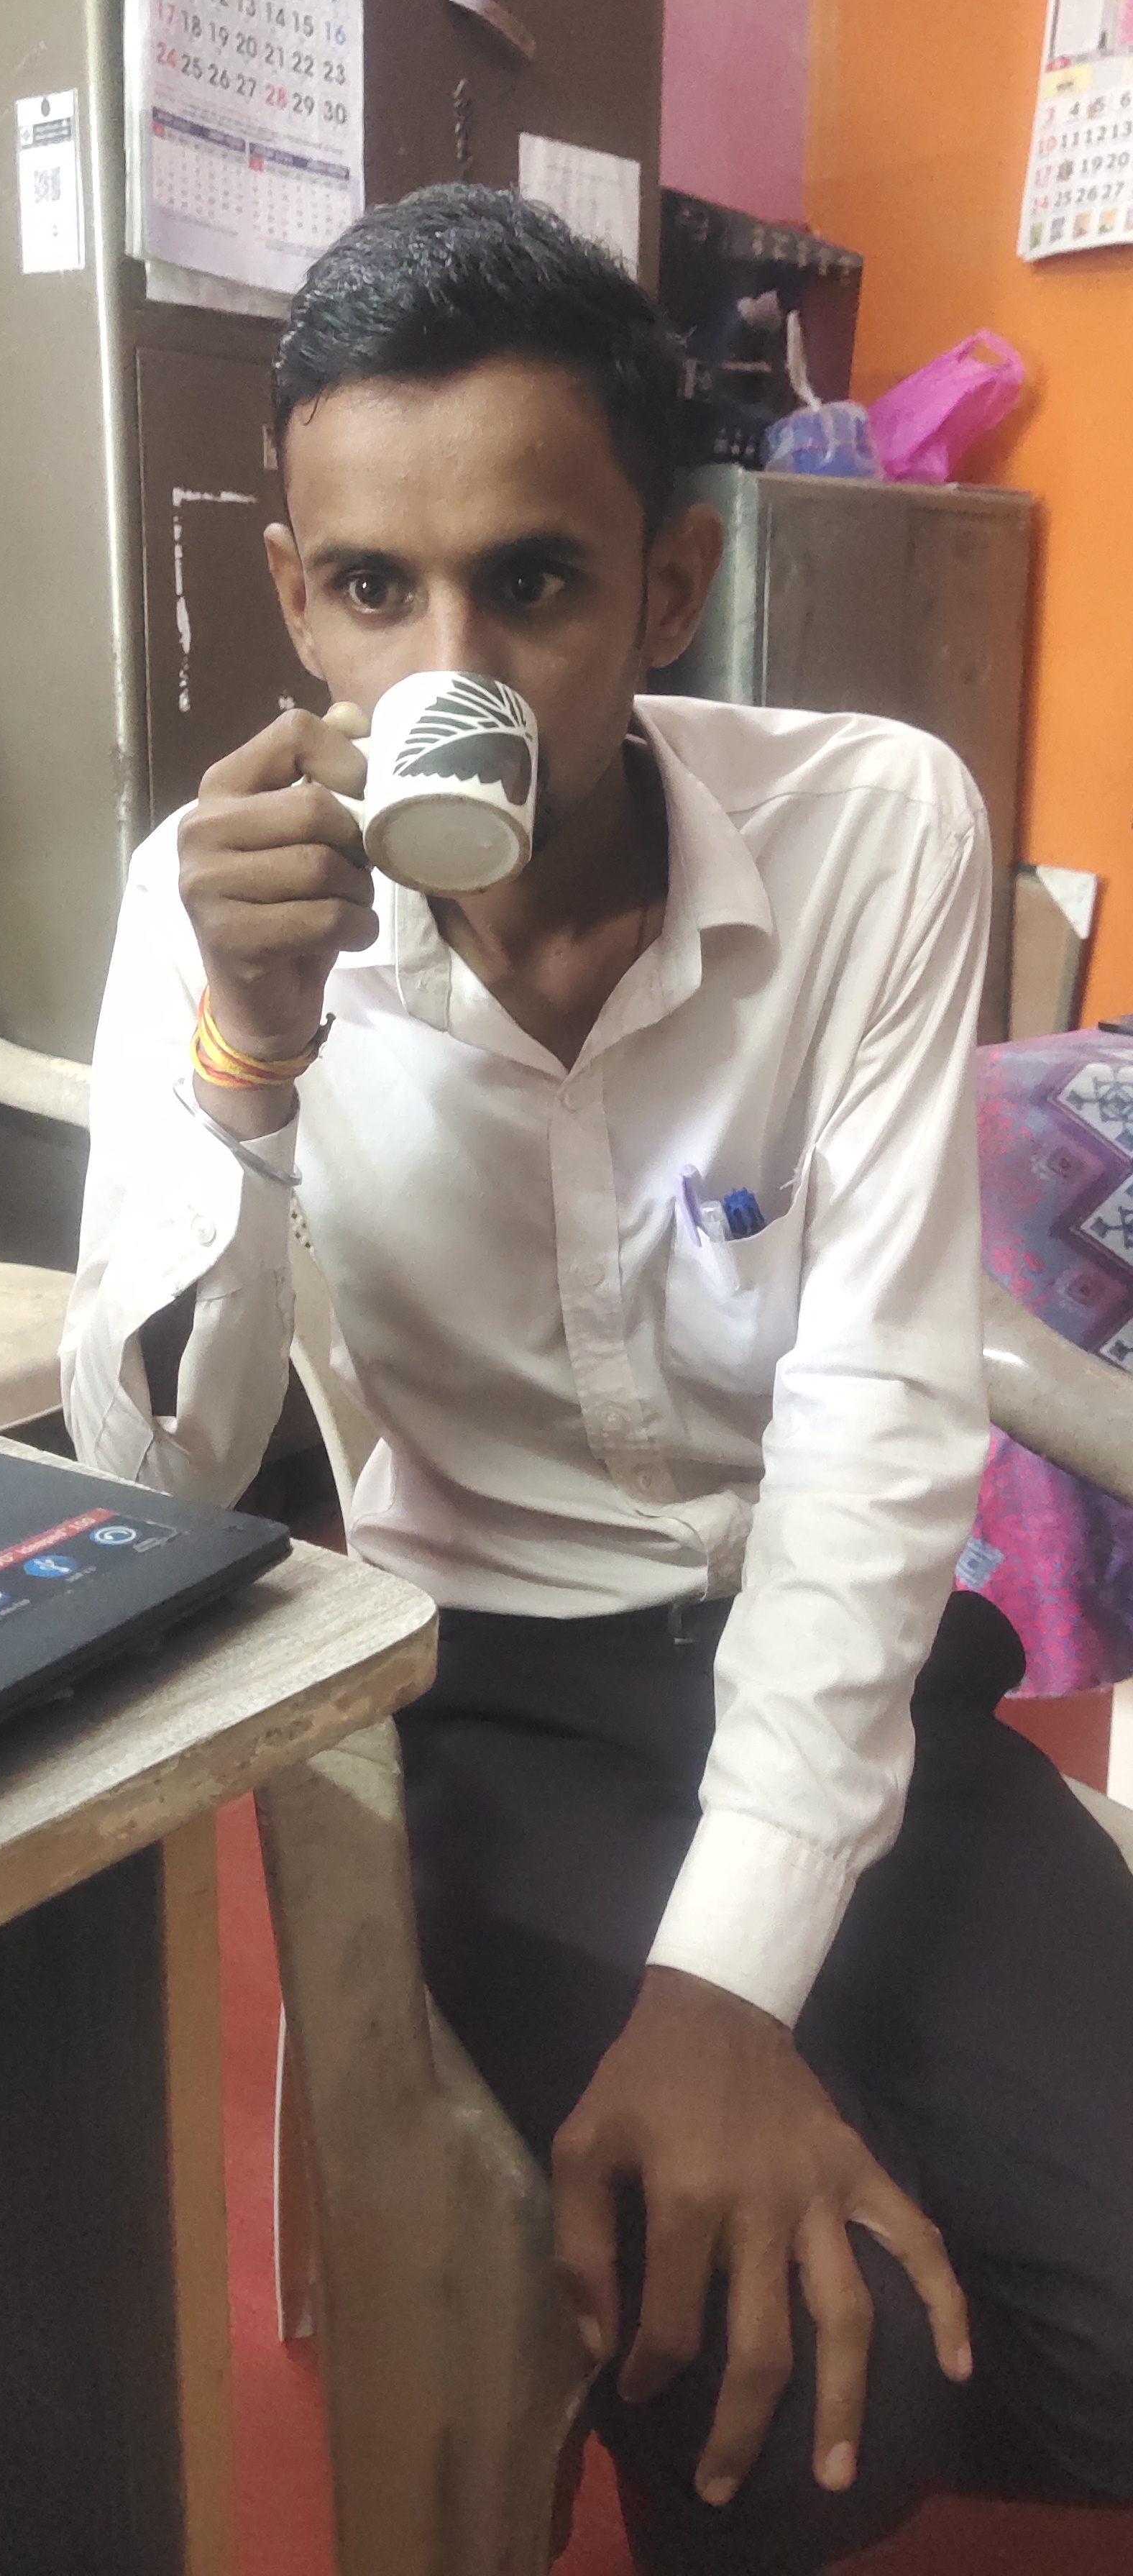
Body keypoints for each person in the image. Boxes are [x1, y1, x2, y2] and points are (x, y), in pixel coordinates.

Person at [63, 186, 1133, 2572]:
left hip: (838, 1654)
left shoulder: (871, 833)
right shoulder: (207, 906)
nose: (444, 668)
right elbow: (170, 1475)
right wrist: (251, 1060)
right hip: (501, 1698)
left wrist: (732, 1994)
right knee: (804, 2395)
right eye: (373, 590)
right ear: (295, 597)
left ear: (668, 589)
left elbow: (876, 1430)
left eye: (530, 583)